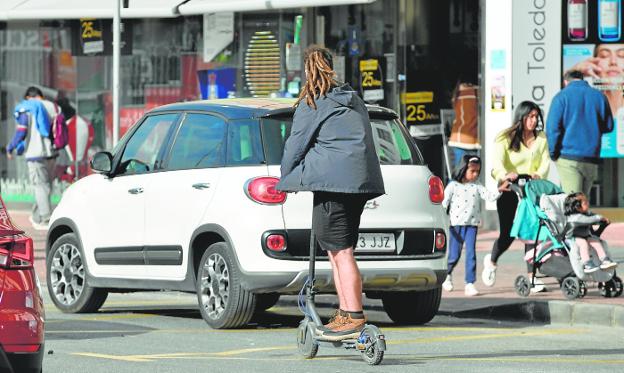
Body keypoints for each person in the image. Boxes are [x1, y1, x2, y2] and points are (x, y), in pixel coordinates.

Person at [276, 46, 385, 336]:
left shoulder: (314, 101)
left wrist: (285, 177)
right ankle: (344, 312)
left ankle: (354, 314)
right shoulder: (352, 99)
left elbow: (295, 145)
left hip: (332, 185)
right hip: (359, 184)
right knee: (338, 250)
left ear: (307, 71)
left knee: (342, 251)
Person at [482, 101, 550, 289]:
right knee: (507, 234)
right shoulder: (505, 137)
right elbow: (497, 165)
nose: (533, 120)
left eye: (536, 116)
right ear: (521, 117)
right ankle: (492, 261)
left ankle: (532, 277)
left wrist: (539, 175)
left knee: (531, 232)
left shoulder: (541, 138)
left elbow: (545, 163)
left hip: (531, 190)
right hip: (509, 189)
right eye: (530, 116)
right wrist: (505, 175)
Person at [441, 155, 509, 296]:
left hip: (472, 226)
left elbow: (489, 196)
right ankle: (447, 276)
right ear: (463, 169)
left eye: (478, 171)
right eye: (472, 171)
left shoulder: (477, 186)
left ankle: (470, 283)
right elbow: (444, 202)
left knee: (471, 254)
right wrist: (440, 216)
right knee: (454, 255)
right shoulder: (453, 186)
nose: (476, 174)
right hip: (456, 226)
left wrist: (500, 190)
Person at [546, 70, 614, 197]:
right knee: (583, 202)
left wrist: (553, 153)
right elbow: (609, 126)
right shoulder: (599, 96)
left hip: (568, 158)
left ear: (565, 82)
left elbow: (552, 129)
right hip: (591, 158)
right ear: (583, 79)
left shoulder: (561, 97)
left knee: (573, 203)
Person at [5, 86, 58, 230]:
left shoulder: (26, 108)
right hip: (52, 152)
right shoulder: (53, 107)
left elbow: (21, 131)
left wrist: (10, 147)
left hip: (35, 153)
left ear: (28, 97)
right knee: (45, 185)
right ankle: (37, 216)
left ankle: (46, 219)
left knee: (39, 185)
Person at [563, 192, 618, 273]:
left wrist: (603, 220)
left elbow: (593, 216)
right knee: (583, 243)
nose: (588, 203)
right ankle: (587, 263)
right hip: (571, 237)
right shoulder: (574, 217)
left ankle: (604, 260)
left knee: (595, 241)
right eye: (585, 203)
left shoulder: (587, 213)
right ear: (577, 207)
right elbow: (589, 219)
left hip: (584, 236)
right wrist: (599, 218)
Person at [448, 79, 480, 168]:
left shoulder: (457, 92)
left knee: (460, 172)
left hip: (457, 138)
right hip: (471, 139)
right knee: (472, 173)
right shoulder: (476, 92)